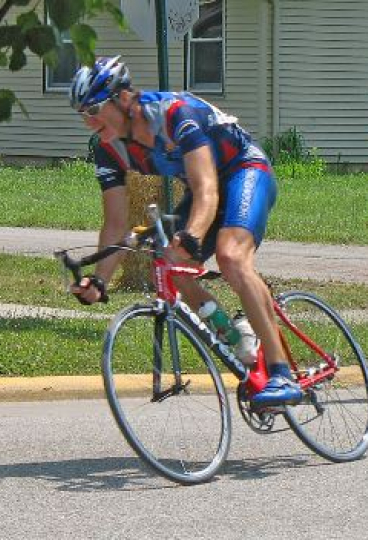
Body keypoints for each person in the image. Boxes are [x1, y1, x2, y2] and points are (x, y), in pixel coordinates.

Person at [68, 56, 302, 405]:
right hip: (201, 187)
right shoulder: (108, 149)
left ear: (123, 98)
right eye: (82, 113)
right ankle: (241, 344)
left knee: (231, 256)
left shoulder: (174, 114)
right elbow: (115, 223)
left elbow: (206, 187)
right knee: (170, 265)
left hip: (245, 169)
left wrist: (192, 233)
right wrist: (99, 280)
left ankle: (282, 374)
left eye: (95, 109)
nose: (89, 121)